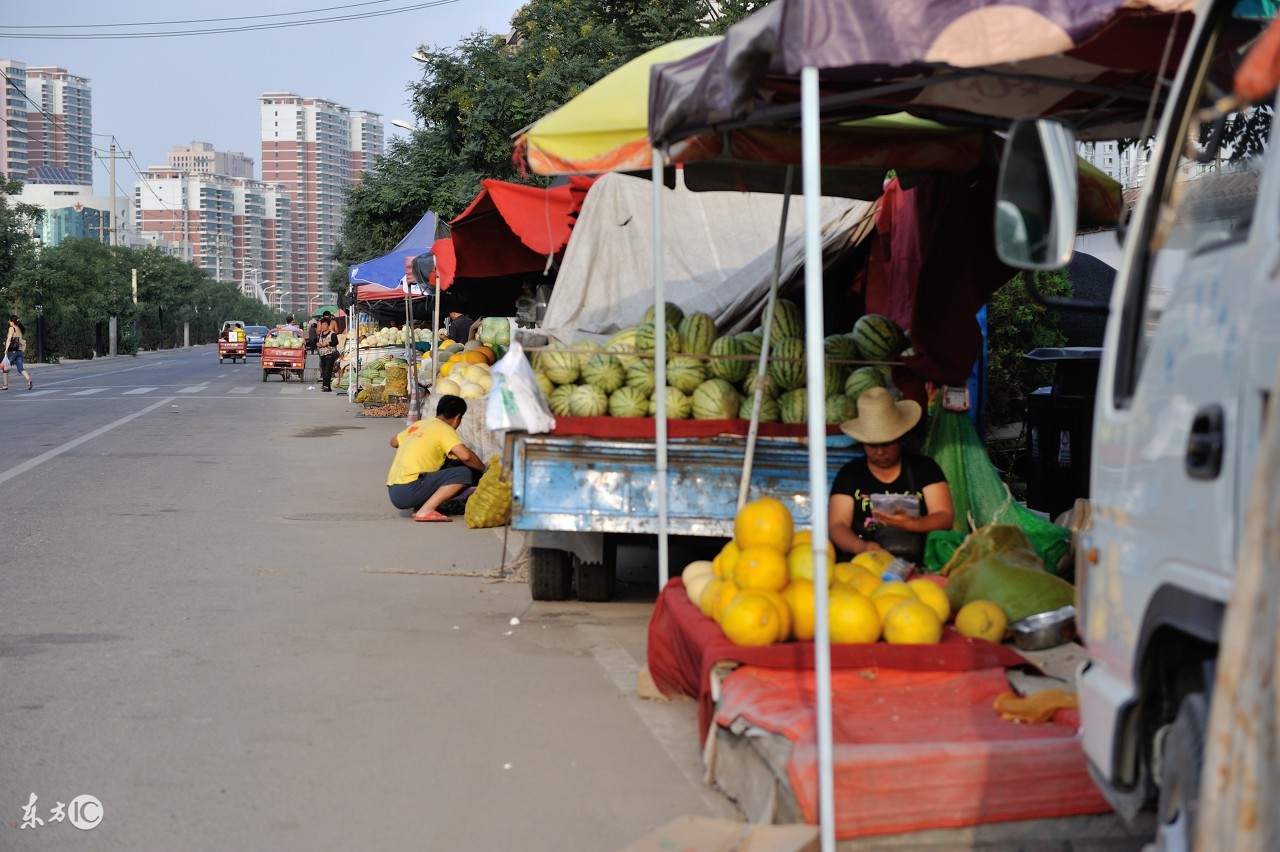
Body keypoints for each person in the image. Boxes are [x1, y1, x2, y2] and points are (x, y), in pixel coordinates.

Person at [828, 386, 954, 563]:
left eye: (887, 444)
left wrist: (912, 524)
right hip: (864, 564)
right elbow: (837, 525)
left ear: (900, 439)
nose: (880, 452)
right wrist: (861, 547)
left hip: (918, 563)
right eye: (872, 445)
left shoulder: (925, 468)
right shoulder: (850, 473)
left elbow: (944, 516)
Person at [386, 394, 486, 522]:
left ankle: (421, 506)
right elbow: (466, 456)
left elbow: (394, 442)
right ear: (457, 418)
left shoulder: (421, 424)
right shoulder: (444, 429)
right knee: (463, 473)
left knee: (446, 464)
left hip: (394, 490)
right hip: (409, 490)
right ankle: (426, 510)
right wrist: (483, 469)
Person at [3, 316, 32, 391]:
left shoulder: (11, 328)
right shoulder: (19, 328)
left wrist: (6, 349)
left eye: (9, 321)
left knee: (5, 368)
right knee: (20, 368)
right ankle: (28, 379)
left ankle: (5, 385)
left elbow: (9, 339)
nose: (9, 322)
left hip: (12, 352)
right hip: (19, 351)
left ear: (12, 322)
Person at [315, 312, 340, 392]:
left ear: (328, 325)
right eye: (322, 324)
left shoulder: (332, 334)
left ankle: (326, 385)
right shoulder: (321, 333)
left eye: (325, 324)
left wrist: (328, 343)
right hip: (322, 354)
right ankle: (326, 386)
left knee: (327, 370)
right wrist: (318, 344)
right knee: (324, 370)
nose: (323, 326)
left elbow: (336, 342)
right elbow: (319, 341)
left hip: (330, 354)